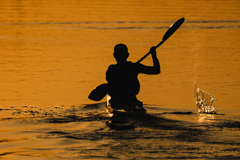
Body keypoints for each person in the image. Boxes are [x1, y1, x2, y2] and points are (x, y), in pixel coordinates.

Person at [106, 43, 160, 112]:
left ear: (114, 56)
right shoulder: (134, 67)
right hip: (130, 99)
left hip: (117, 101)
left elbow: (156, 71)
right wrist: (154, 55)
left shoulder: (112, 69)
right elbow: (156, 70)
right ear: (127, 55)